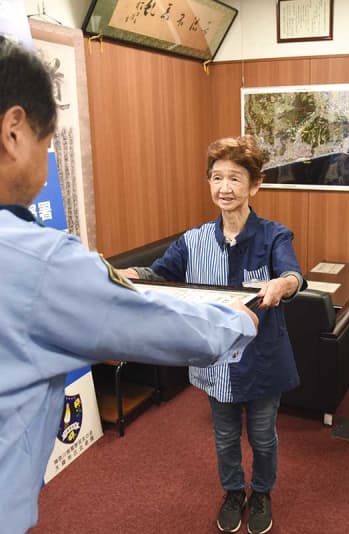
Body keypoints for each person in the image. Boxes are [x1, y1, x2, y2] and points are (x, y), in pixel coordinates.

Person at [0, 29, 259, 534]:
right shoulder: (30, 257)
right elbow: (168, 329)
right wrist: (235, 320)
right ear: (14, 131)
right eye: (48, 145)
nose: (45, 168)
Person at [121, 135, 305, 534]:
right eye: (217, 177)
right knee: (224, 437)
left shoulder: (275, 235)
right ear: (208, 182)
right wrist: (128, 276)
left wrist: (280, 286)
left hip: (262, 360)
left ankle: (261, 492)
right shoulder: (194, 239)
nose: (225, 188)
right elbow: (161, 273)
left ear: (255, 185)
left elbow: (293, 275)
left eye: (235, 179)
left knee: (263, 437)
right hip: (215, 360)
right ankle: (233, 491)